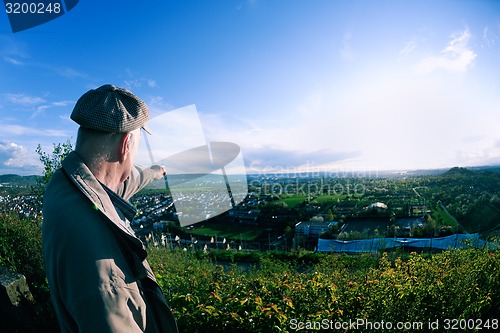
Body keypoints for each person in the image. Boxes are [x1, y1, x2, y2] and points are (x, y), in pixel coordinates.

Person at [42, 84, 178, 332]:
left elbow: (125, 182)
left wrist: (155, 172)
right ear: (126, 144)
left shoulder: (64, 185)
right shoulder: (105, 273)